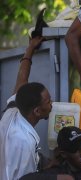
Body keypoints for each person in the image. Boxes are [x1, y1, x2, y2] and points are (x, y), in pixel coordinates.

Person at [0, 36, 53, 180]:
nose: (52, 104)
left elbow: (22, 79)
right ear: (36, 111)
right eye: (48, 102)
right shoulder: (24, 142)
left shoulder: (12, 111)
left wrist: (30, 50)